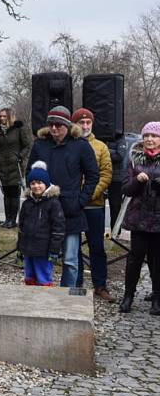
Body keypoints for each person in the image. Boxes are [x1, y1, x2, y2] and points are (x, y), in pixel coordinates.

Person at [27, 106, 99, 288]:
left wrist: (81, 201)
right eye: (51, 125)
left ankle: (67, 297)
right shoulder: (40, 145)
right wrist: (34, 194)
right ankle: (43, 294)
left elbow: (93, 176)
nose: (54, 129)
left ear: (67, 125)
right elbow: (30, 172)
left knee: (70, 260)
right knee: (41, 256)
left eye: (58, 125)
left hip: (70, 209)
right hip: (43, 209)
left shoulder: (81, 145)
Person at [72, 108, 115, 301]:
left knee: (97, 247)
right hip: (73, 206)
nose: (85, 126)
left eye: (88, 123)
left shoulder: (101, 147)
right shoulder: (69, 145)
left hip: (94, 205)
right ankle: (77, 282)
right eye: (82, 123)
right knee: (73, 247)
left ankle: (100, 285)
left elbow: (106, 174)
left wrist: (89, 194)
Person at [118, 122, 160, 315]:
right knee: (135, 258)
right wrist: (137, 180)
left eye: (153, 136)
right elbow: (125, 189)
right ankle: (128, 296)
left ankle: (157, 298)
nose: (149, 140)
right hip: (139, 218)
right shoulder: (134, 160)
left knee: (158, 259)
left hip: (158, 219)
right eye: (146, 136)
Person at [17, 162, 65, 286]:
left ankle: (44, 301)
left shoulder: (53, 204)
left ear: (46, 184)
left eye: (39, 183)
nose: (36, 186)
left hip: (44, 250)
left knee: (43, 277)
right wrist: (20, 247)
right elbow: (21, 227)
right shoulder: (27, 204)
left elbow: (58, 228)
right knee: (29, 276)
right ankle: (30, 299)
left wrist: (54, 250)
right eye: (32, 183)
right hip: (28, 248)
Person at [0, 107, 32, 228]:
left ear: (9, 117)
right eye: (1, 116)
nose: (2, 118)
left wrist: (20, 156)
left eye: (4, 116)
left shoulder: (19, 128)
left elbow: (28, 145)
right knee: (6, 193)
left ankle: (13, 220)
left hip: (16, 166)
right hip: (2, 166)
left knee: (14, 194)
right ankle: (7, 219)